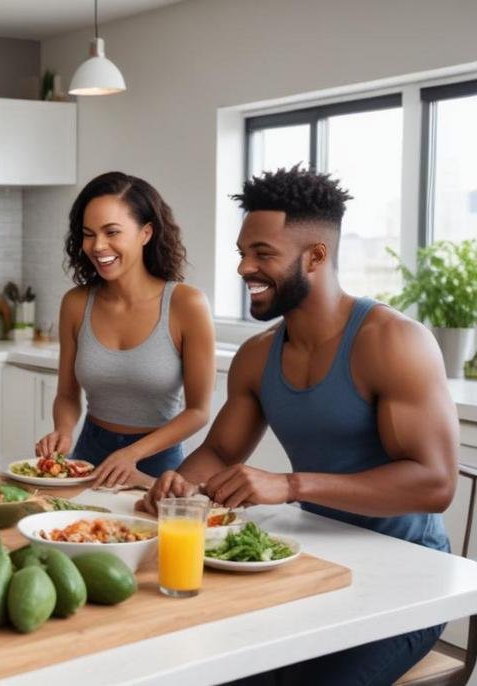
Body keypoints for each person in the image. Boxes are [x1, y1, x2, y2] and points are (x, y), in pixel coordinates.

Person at [142, 166, 457, 685]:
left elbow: (435, 484)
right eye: (242, 252)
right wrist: (179, 488)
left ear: (316, 255)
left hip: (408, 584)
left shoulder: (393, 342)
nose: (244, 267)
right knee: (214, 669)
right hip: (315, 556)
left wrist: (289, 486)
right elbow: (220, 452)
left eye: (262, 253)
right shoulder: (257, 355)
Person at [34, 172, 215, 489]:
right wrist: (63, 430)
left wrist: (132, 453)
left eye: (112, 232)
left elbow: (198, 411)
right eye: (89, 234)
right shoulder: (76, 303)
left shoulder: (187, 304)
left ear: (146, 233)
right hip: (89, 454)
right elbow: (66, 394)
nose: (98, 246)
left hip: (157, 461)